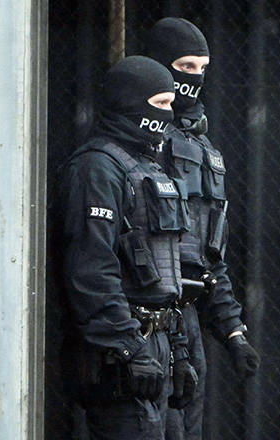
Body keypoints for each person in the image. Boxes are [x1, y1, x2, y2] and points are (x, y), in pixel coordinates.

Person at [60, 55, 198, 439]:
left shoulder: (151, 169)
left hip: (159, 348)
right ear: (130, 102)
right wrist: (128, 349)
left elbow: (167, 274)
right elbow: (91, 269)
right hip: (120, 355)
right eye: (160, 105)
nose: (169, 115)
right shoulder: (97, 168)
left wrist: (179, 350)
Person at [145, 17, 261, 440]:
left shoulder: (205, 150)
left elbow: (210, 255)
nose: (194, 78)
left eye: (202, 69)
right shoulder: (138, 144)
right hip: (145, 316)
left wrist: (233, 332)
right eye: (185, 66)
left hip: (190, 318)